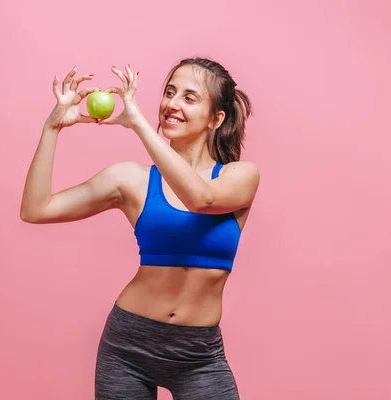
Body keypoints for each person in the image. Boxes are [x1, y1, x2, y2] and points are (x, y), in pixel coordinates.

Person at [20, 57, 260, 399]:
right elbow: (35, 209)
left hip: (198, 356)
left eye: (189, 98)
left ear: (216, 118)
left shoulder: (240, 176)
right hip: (128, 347)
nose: (172, 104)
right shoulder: (130, 179)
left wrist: (139, 126)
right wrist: (52, 129)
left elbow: (200, 199)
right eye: (170, 92)